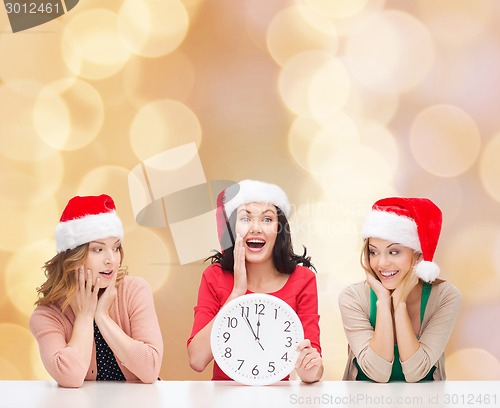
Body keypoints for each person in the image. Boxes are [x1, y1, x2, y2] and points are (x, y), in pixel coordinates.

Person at [187, 180, 323, 383]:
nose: (256, 228)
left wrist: (310, 369)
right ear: (232, 229)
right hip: (223, 400)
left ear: (279, 230)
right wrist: (236, 294)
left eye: (267, 219)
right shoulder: (214, 277)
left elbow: (313, 368)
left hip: (279, 400)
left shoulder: (303, 280)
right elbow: (197, 360)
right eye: (245, 218)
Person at [30, 194, 163, 388]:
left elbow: (150, 369)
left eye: (116, 248)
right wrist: (85, 316)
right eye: (98, 250)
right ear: (73, 255)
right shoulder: (48, 315)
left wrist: (102, 317)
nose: (111, 259)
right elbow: (70, 378)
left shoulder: (134, 291)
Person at [339, 197, 461, 382]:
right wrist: (382, 300)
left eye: (394, 252)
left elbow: (415, 372)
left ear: (418, 255)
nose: (381, 263)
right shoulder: (353, 297)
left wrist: (399, 303)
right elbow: (378, 373)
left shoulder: (445, 296)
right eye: (374, 252)